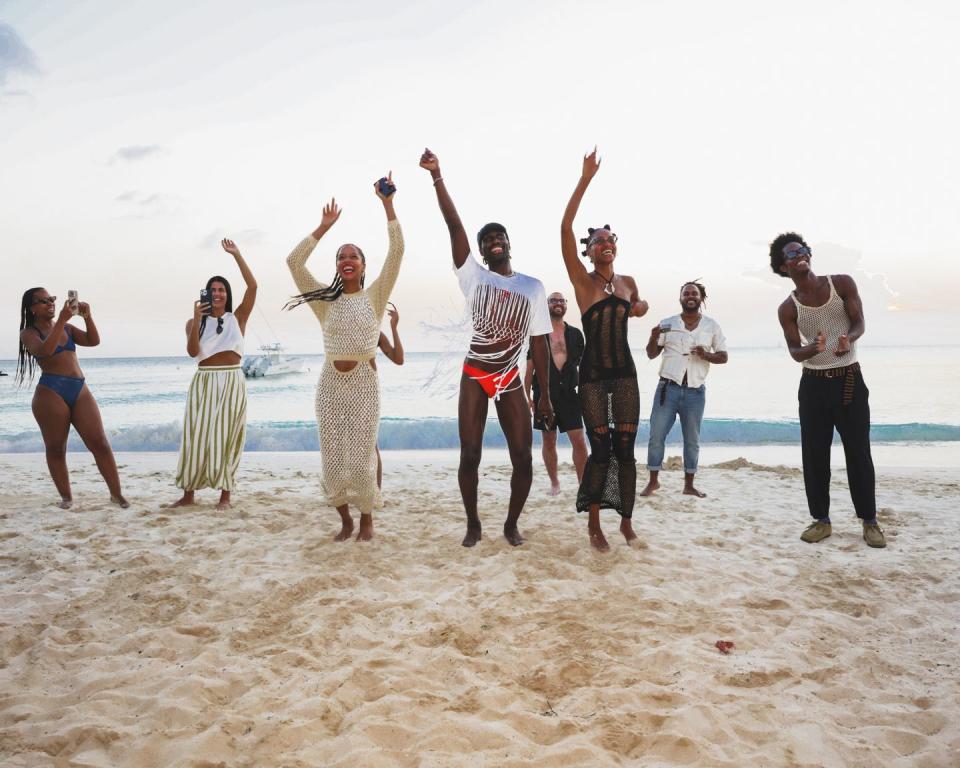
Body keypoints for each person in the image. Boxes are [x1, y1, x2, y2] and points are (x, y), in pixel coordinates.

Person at [420, 148, 554, 548]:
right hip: (477, 372)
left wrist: (544, 395)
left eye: (500, 237)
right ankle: (473, 523)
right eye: (487, 239)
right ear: (480, 251)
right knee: (470, 455)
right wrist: (437, 176)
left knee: (523, 458)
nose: (494, 241)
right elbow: (452, 223)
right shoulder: (473, 277)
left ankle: (511, 525)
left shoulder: (532, 287)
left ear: (509, 244)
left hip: (509, 376)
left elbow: (540, 344)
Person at [286, 177, 403, 542]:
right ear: (337, 267)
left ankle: (367, 519)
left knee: (363, 459)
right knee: (333, 460)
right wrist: (323, 228)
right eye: (341, 256)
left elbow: (396, 251)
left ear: (363, 267)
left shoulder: (376, 296)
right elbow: (293, 261)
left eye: (353, 255)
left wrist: (388, 205)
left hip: (365, 386)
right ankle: (345, 520)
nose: (346, 260)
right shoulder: (324, 300)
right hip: (331, 386)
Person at [771, 232, 885, 548]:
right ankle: (821, 521)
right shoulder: (788, 308)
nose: (799, 255)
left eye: (802, 250)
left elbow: (860, 322)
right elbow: (795, 351)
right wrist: (811, 349)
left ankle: (870, 521)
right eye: (791, 254)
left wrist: (849, 337)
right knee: (815, 455)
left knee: (859, 453)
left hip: (849, 380)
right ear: (783, 266)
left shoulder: (842, 284)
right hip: (813, 387)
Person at [560, 148, 648, 551]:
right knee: (600, 450)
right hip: (592, 377)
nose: (604, 243)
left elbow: (638, 306)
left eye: (609, 239)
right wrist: (585, 178)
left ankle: (626, 522)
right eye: (597, 241)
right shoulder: (582, 282)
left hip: (625, 375)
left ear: (617, 246)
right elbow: (565, 227)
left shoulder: (628, 281)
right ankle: (594, 524)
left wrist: (640, 308)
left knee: (627, 450)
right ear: (588, 251)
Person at [16, 288, 129, 509]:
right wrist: (61, 320)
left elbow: (93, 340)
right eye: (44, 301)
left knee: (100, 443)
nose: (50, 303)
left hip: (79, 388)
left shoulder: (67, 327)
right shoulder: (29, 333)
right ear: (32, 308)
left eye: (52, 299)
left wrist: (88, 317)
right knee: (57, 448)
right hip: (50, 392)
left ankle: (117, 495)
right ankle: (66, 498)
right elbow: (45, 351)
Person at [169, 238, 257, 510]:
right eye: (212, 290)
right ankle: (188, 494)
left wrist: (237, 255)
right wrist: (196, 320)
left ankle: (225, 497)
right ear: (205, 295)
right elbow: (192, 351)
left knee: (228, 436)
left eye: (221, 290)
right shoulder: (193, 322)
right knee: (196, 435)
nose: (217, 294)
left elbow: (253, 287)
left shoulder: (237, 318)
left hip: (232, 380)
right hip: (204, 382)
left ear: (227, 295)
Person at [640, 280, 728, 498]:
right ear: (680, 298)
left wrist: (705, 354)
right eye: (686, 293)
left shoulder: (711, 326)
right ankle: (653, 482)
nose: (690, 296)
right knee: (656, 435)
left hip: (695, 392)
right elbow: (652, 354)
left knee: (692, 440)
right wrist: (653, 337)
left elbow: (723, 356)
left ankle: (689, 485)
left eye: (694, 293)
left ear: (701, 298)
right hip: (667, 389)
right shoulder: (668, 323)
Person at [523, 291, 588, 495]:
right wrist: (528, 397)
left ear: (566, 306)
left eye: (561, 301)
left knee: (579, 440)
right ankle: (554, 483)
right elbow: (530, 368)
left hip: (570, 393)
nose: (558, 304)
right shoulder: (538, 334)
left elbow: (584, 367)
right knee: (548, 440)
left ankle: (583, 485)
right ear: (547, 305)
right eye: (553, 301)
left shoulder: (576, 334)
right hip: (545, 394)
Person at [375, 302, 404, 488]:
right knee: (341, 443)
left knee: (370, 445)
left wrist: (394, 327)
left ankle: (376, 492)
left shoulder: (374, 334)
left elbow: (398, 359)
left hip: (366, 392)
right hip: (340, 390)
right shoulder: (343, 329)